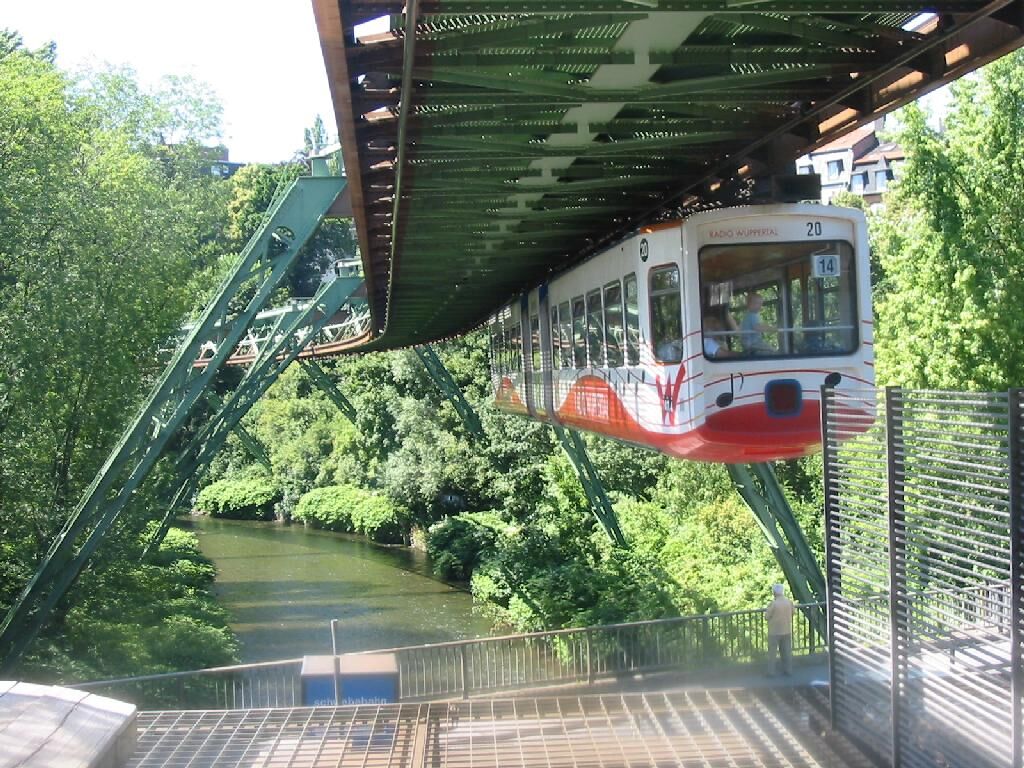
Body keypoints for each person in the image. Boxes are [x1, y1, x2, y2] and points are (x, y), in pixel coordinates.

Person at [766, 583, 794, 676]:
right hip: (786, 629)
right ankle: (788, 670)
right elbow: (793, 612)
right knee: (786, 652)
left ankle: (771, 672)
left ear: (774, 592)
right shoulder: (789, 602)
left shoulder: (773, 604)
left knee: (772, 653)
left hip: (774, 631)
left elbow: (766, 616)